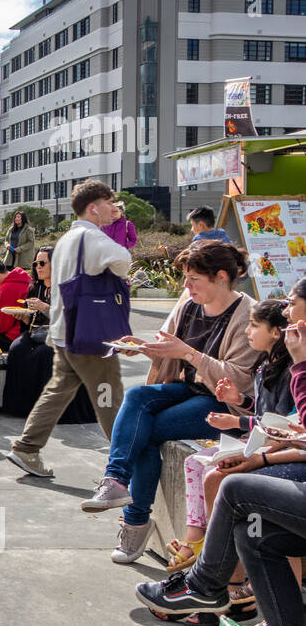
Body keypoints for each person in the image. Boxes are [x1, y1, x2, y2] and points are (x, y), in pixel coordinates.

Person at [133, 314, 306, 626]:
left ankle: (205, 586)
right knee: (255, 535)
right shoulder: (275, 365)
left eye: (297, 314)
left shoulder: (296, 365)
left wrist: (301, 366)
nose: (293, 322)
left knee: (235, 488)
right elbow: (287, 425)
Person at [80, 240, 257, 564]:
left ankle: (134, 522)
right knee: (136, 397)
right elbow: (166, 344)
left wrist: (189, 353)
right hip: (185, 388)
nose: (186, 286)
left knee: (146, 431)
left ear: (221, 277)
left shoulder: (247, 313)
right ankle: (116, 480)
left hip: (222, 404)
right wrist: (139, 346)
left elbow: (239, 379)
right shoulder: (189, 303)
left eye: (194, 280)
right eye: (186, 279)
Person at [166, 294, 304, 575]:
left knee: (223, 478)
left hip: (280, 452)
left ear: (276, 332)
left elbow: (283, 426)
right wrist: (239, 401)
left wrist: (239, 425)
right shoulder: (266, 367)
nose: (246, 331)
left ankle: (219, 574)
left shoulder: (293, 371)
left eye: (253, 325)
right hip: (271, 447)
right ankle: (208, 555)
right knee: (200, 464)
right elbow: (270, 416)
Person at [5, 181, 131, 479]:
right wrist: (117, 224)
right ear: (93, 207)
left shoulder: (67, 239)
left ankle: (27, 447)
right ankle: (125, 466)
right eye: (108, 202)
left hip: (64, 332)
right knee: (108, 396)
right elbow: (124, 261)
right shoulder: (93, 238)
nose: (113, 207)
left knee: (58, 391)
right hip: (89, 335)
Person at [0, 245, 97, 423]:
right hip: (38, 332)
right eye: (36, 263)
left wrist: (44, 307)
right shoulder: (34, 288)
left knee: (44, 354)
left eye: (43, 262)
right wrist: (22, 317)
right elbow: (32, 320)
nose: (39, 266)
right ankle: (22, 407)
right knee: (16, 349)